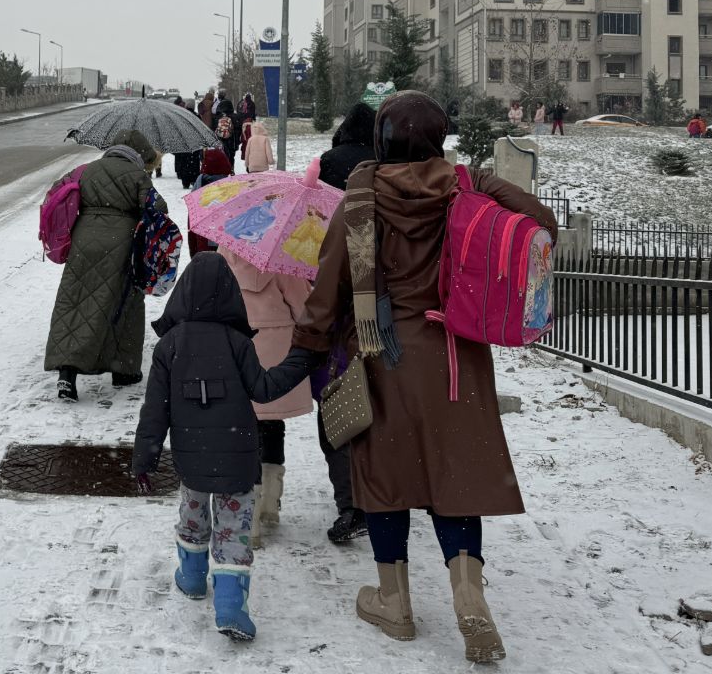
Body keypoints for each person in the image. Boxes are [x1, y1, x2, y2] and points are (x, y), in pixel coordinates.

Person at [291, 91, 557, 663]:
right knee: (453, 473)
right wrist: (482, 180)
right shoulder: (462, 189)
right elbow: (542, 224)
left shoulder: (361, 196)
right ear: (440, 138)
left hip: (381, 353)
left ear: (384, 140)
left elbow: (329, 284)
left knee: (387, 478)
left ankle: (395, 602)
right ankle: (469, 598)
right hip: (457, 355)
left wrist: (305, 348)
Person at [132, 251, 323, 642]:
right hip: (238, 458)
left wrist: (144, 461)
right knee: (234, 528)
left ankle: (190, 577)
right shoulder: (237, 343)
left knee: (194, 515)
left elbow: (155, 411)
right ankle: (231, 605)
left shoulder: (169, 347)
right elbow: (264, 389)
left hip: (191, 458)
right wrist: (301, 359)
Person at [45, 130, 166, 401]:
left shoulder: (86, 170)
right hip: (121, 244)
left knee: (74, 304)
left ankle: (67, 373)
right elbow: (159, 208)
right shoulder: (137, 175)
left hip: (83, 241)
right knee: (125, 304)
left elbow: (57, 191)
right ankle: (123, 370)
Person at [220, 234, 312, 550]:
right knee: (273, 424)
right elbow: (301, 304)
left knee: (247, 429)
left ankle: (251, 516)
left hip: (237, 344)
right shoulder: (284, 249)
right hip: (275, 348)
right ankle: (270, 504)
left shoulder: (226, 245)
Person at [313, 101, 378, 543]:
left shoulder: (329, 165)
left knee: (336, 402)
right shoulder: (387, 168)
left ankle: (350, 503)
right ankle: (384, 495)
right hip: (386, 298)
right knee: (382, 403)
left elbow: (312, 222)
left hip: (338, 295)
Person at [187, 148, 234, 256]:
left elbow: (191, 225)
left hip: (203, 249)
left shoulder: (198, 188)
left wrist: (194, 252)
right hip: (227, 250)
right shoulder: (232, 187)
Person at [215, 101, 241, 172]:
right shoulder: (235, 117)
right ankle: (231, 169)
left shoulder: (218, 117)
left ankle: (223, 170)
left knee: (222, 156)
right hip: (233, 142)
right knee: (231, 156)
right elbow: (239, 129)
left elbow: (215, 129)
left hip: (221, 141)